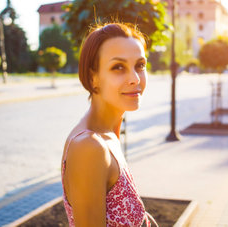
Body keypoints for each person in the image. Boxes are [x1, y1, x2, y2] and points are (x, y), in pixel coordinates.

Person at [61, 22, 157, 226]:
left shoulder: (107, 134)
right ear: (92, 77)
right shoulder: (89, 147)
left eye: (140, 65)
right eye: (118, 67)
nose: (134, 79)